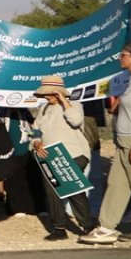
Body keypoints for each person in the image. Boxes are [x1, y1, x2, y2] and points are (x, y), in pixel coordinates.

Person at [30, 75, 95, 241]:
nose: (47, 96)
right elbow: (35, 130)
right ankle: (59, 228)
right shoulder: (44, 108)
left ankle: (88, 226)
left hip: (74, 154)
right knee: (52, 192)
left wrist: (63, 100)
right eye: (45, 94)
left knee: (73, 189)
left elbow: (76, 121)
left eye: (51, 93)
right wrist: (37, 143)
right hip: (51, 156)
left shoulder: (74, 105)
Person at [82, 42, 131, 244]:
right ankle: (106, 228)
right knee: (116, 184)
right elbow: (118, 107)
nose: (120, 58)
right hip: (121, 140)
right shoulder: (126, 79)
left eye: (123, 55)